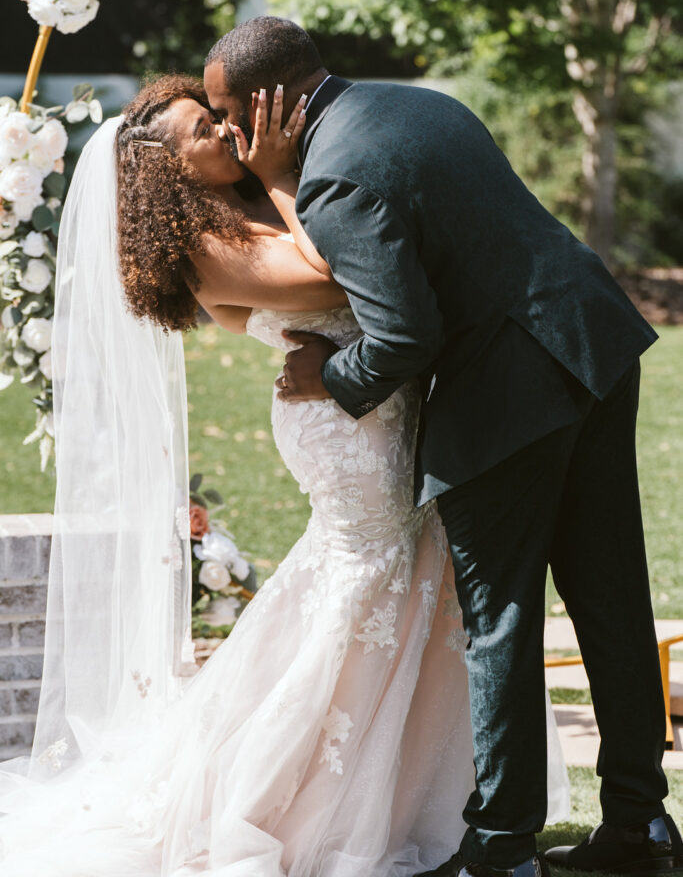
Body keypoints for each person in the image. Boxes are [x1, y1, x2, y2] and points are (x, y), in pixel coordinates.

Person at [0, 74, 569, 877]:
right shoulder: (206, 245)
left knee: (407, 578)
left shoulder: (243, 214)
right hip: (343, 426)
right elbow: (337, 273)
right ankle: (276, 794)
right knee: (365, 579)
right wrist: (276, 173)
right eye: (202, 130)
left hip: (375, 404)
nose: (225, 133)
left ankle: (426, 790)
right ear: (168, 169)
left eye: (215, 117)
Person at [203, 16, 683, 877]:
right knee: (609, 599)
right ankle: (639, 828)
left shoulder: (332, 178)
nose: (229, 137)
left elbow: (401, 338)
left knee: (498, 616)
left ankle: (501, 848)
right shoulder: (416, 104)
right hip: (592, 337)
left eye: (226, 114)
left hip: (512, 387)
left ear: (269, 103)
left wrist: (324, 375)